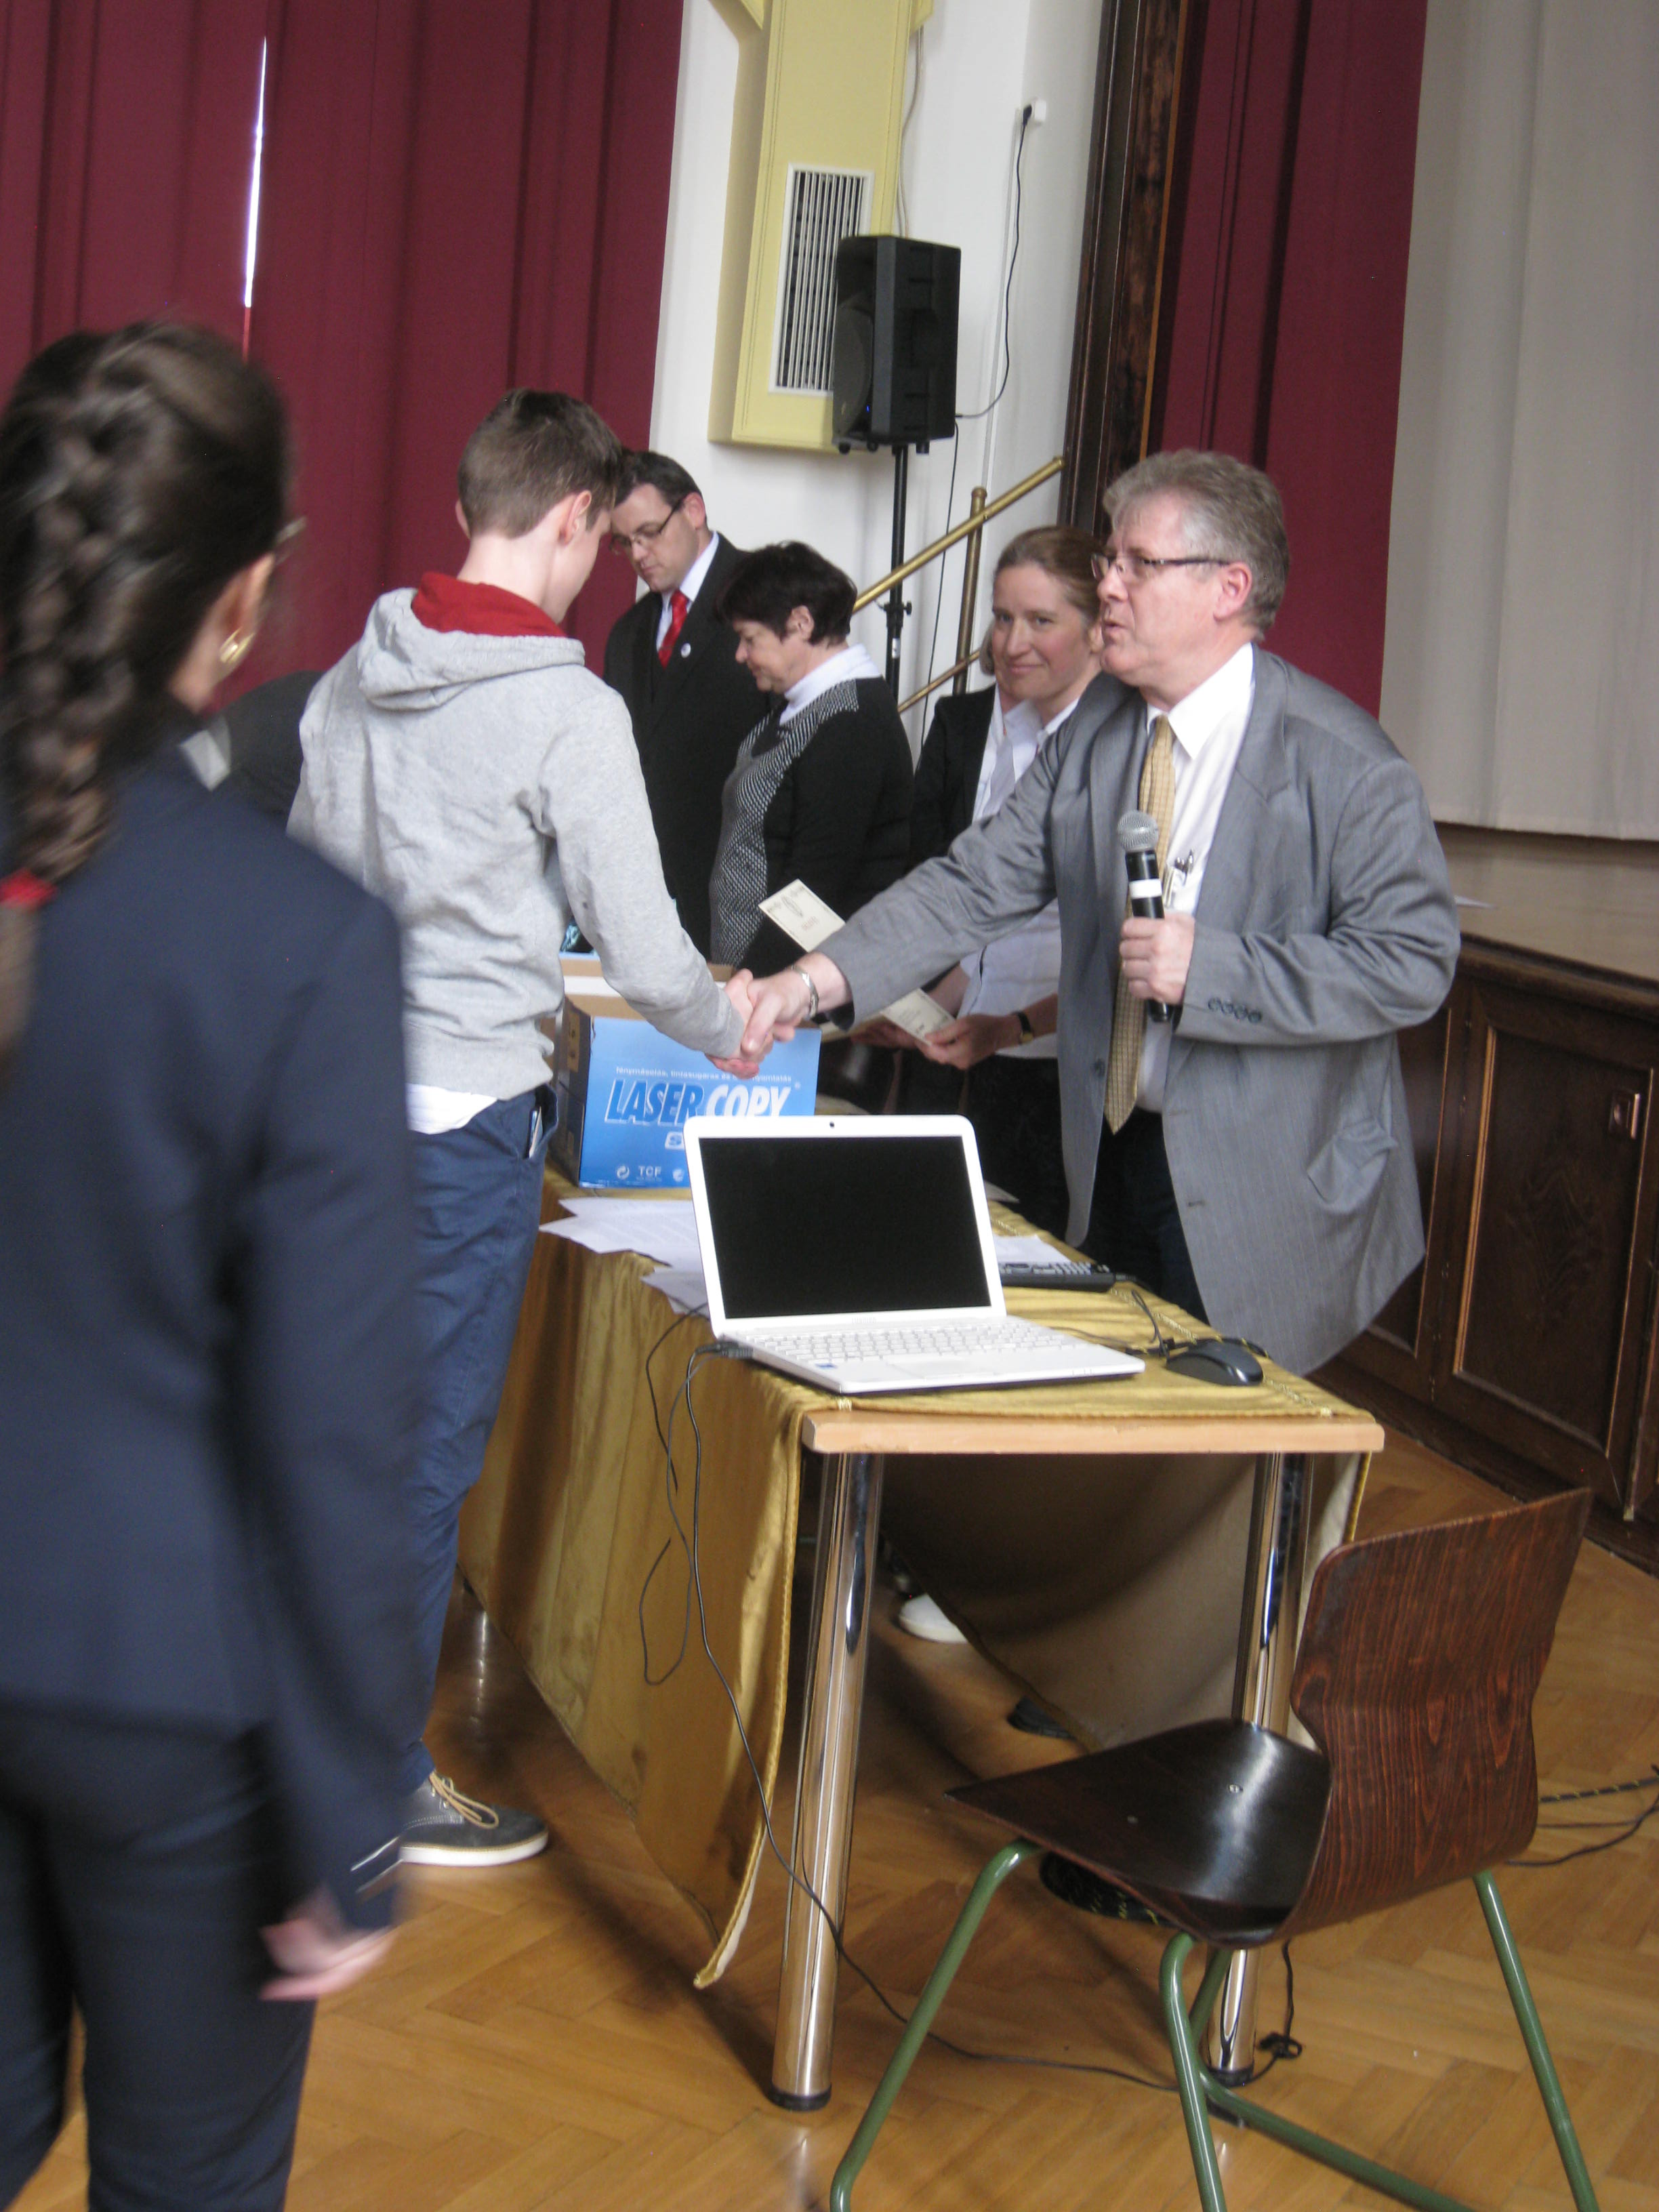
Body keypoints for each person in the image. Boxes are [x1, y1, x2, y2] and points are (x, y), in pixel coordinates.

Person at [0, 322, 419, 2206]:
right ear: (247, 596)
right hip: (167, 1686)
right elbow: (332, 1434)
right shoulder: (295, 937)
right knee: (187, 2177)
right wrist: (350, 1816)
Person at [723, 451, 1460, 1377]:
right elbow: (970, 883)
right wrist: (805, 985)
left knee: (1232, 1444)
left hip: (1265, 1190)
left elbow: (1412, 964)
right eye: (1111, 561)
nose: (1107, 585)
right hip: (1107, 1158)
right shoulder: (1099, 728)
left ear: (1230, 589)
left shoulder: (1345, 762)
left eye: (1139, 565)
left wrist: (1212, 970)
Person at [291, 389, 744, 1868]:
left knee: (314, 1435)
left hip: (323, 1105)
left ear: (465, 507)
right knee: (420, 1460)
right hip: (460, 1121)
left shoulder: (356, 669)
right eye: (602, 540)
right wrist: (727, 1024)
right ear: (571, 517)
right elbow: (647, 950)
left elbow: (297, 881)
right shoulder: (569, 708)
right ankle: (367, 1788)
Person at [895, 525, 1104, 1238]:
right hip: (991, 1049)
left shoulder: (1112, 751)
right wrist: (929, 1009)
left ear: (1098, 629)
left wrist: (1014, 1027)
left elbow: (1108, 958)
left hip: (1055, 1064)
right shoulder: (1019, 737)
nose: (1012, 643)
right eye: (1003, 617)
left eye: (1040, 620)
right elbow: (992, 915)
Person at [708, 540, 913, 977]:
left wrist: (752, 986)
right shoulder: (801, 705)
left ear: (801, 623)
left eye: (750, 639)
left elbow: (814, 889)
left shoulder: (852, 723)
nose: (740, 654)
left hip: (791, 986)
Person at [602, 452, 762, 954]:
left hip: (741, 898)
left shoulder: (768, 597)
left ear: (693, 510)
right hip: (649, 905)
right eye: (624, 542)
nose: (638, 553)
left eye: (649, 532)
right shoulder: (628, 633)